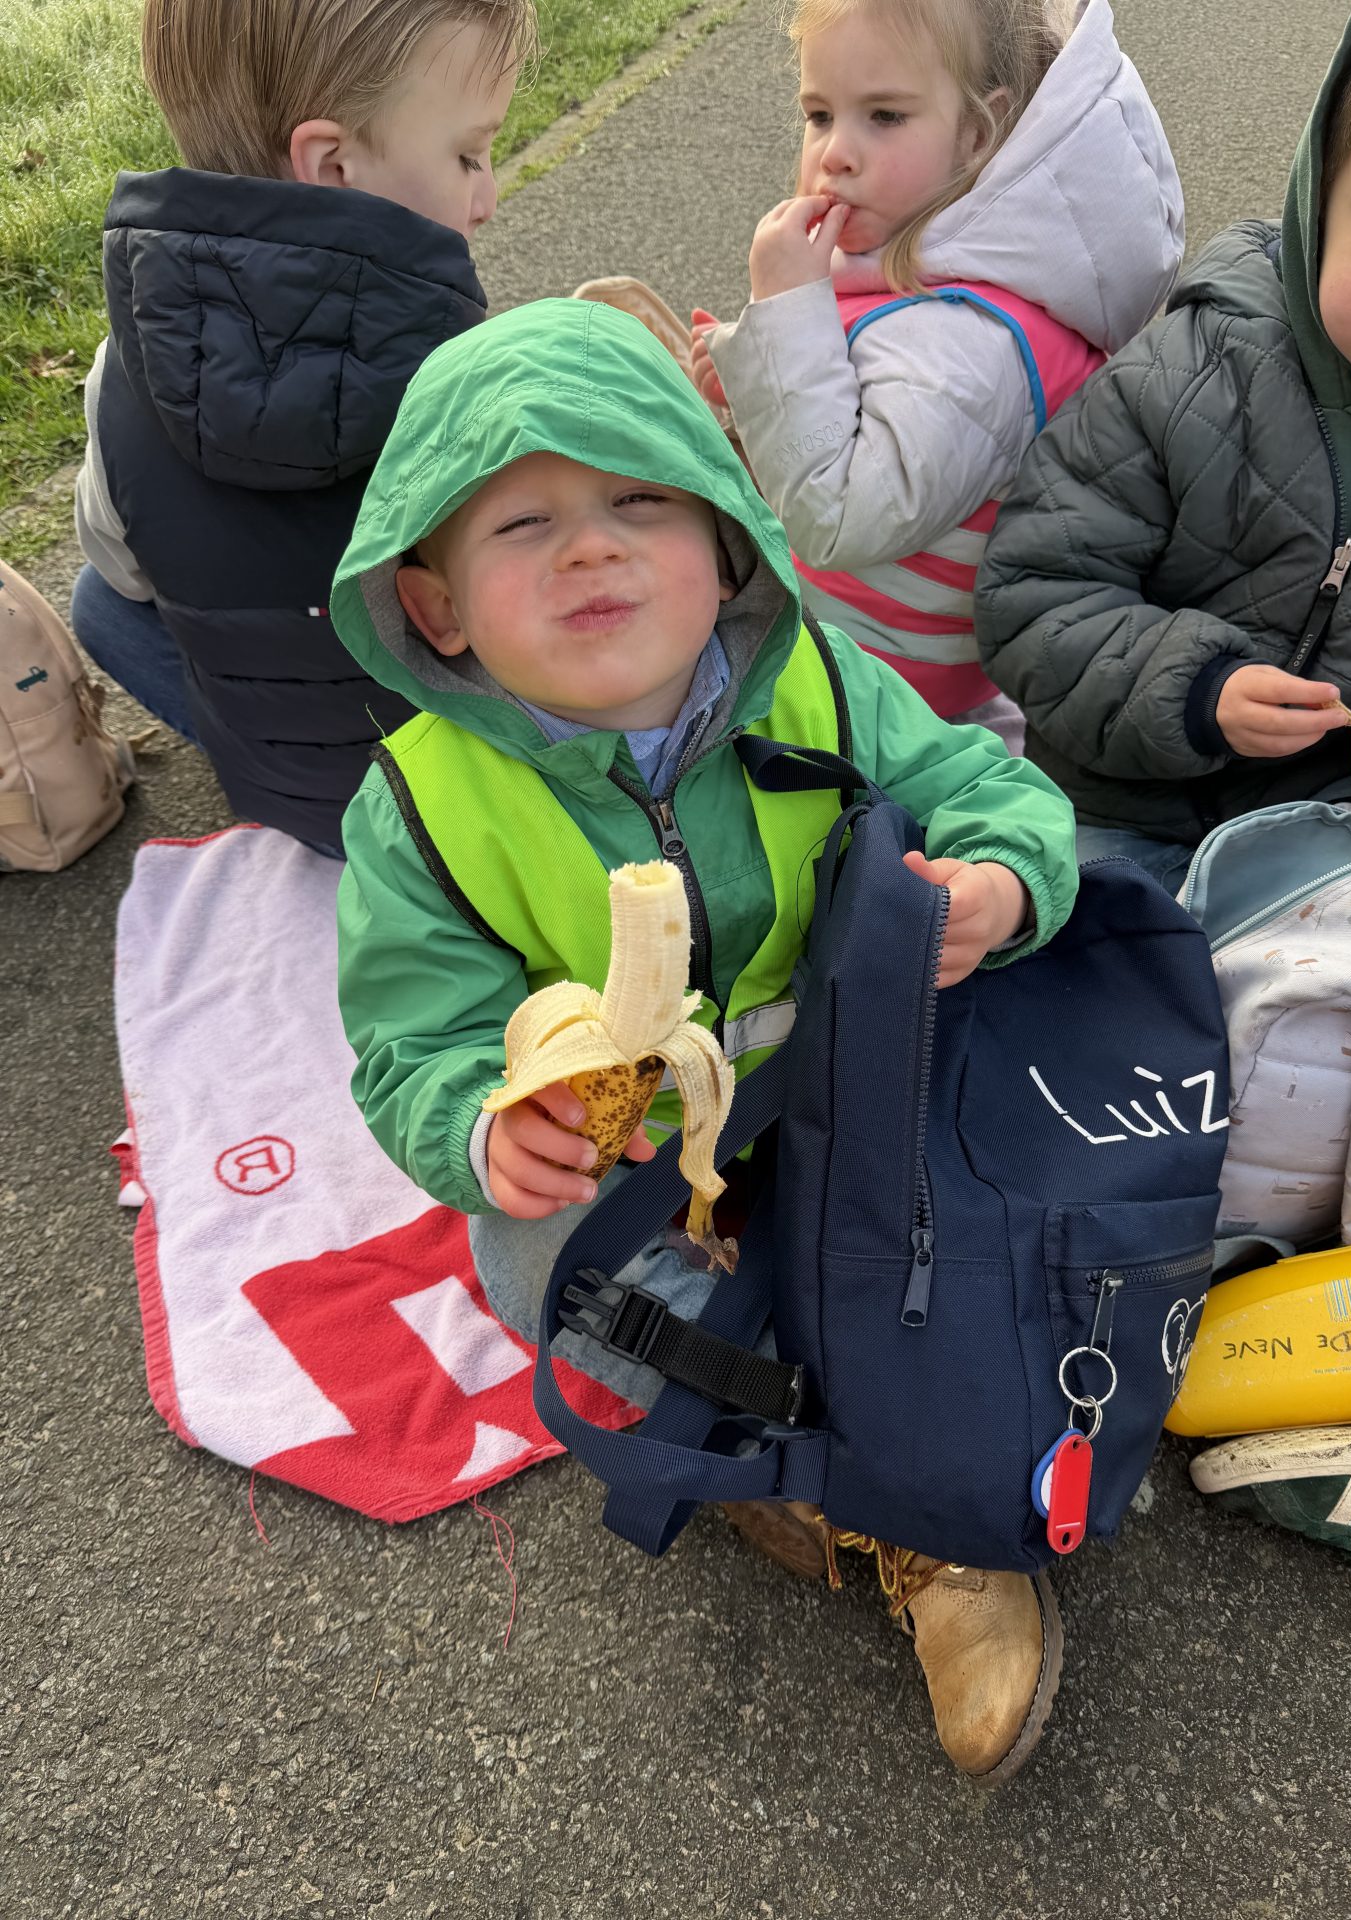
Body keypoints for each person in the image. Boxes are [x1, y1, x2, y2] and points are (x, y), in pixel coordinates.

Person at [330, 297, 1080, 1781]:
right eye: (523, 525)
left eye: (639, 502)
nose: (590, 550)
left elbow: (991, 788)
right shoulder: (421, 807)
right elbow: (410, 1033)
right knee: (526, 1262)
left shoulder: (825, 682)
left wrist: (1002, 881)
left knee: (978, 1209)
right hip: (656, 1156)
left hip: (866, 1079)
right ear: (436, 606)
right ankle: (800, 1447)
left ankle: (913, 1497)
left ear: (729, 540)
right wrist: (488, 1122)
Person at [975, 0, 1351, 893]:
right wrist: (1199, 692)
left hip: (1336, 836)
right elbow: (1031, 595)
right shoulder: (1188, 372)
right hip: (1117, 813)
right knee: (1048, 945)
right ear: (1318, 198)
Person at [71, 0, 535, 854]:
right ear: (331, 166)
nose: (489, 197)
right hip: (480, 824)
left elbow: (120, 564)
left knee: (97, 602)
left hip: (298, 802)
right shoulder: (478, 373)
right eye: (469, 156)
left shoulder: (119, 372)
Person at [686, 0, 1183, 752]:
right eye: (820, 115)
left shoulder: (973, 345)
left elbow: (838, 517)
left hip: (880, 708)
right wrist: (760, 373)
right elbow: (862, 395)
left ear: (977, 136)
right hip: (840, 656)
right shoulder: (926, 274)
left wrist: (785, 314)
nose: (835, 153)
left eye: (884, 116)